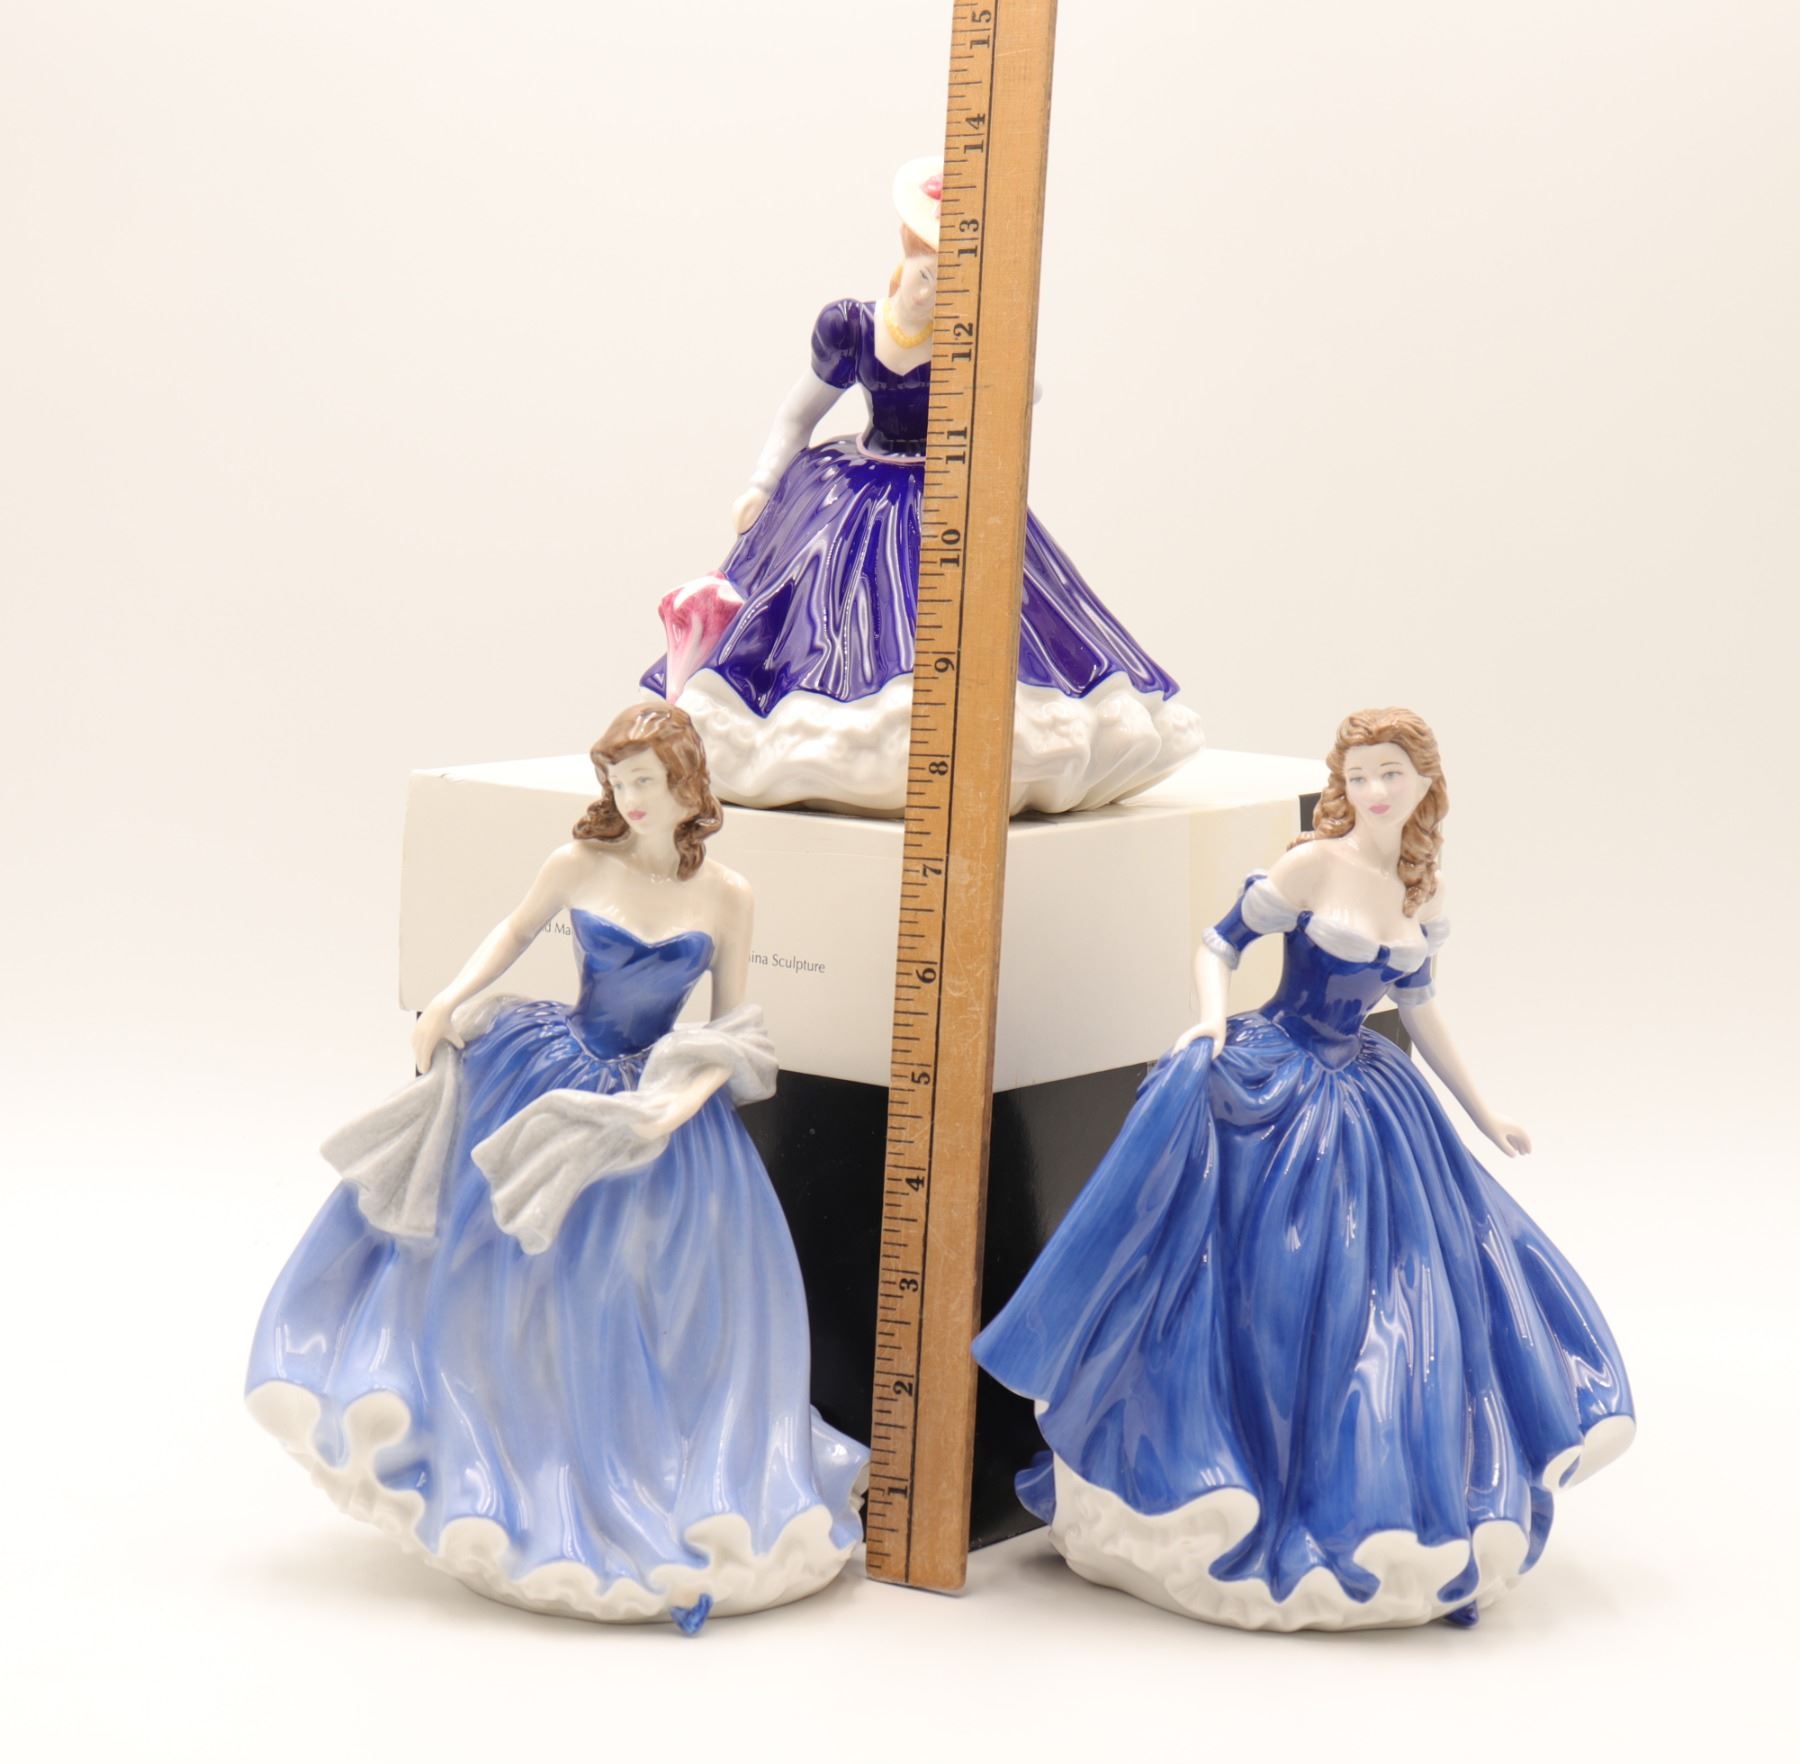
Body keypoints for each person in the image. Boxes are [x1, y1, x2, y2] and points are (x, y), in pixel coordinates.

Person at [973, 707, 1633, 1629]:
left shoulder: (1422, 890)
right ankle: (1217, 1466)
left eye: (1391, 773)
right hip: (1276, 1078)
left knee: (1405, 1287)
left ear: (1425, 783)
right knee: (1261, 1285)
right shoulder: (1312, 865)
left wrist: (1484, 1113)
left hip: (1367, 1091)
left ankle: (1375, 1492)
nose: (1374, 790)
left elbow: (1420, 1008)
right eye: (1359, 774)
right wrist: (1210, 1019)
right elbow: (1219, 943)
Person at [247, 702, 867, 1632]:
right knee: (508, 1261)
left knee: (656, 1289)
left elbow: (734, 1027)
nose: (631, 797)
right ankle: (502, 1439)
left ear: (688, 784)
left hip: (660, 1108)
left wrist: (668, 1106)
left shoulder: (728, 895)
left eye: (646, 781)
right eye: (618, 781)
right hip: (554, 1069)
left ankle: (638, 1460)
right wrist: (447, 1001)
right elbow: (512, 932)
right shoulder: (580, 864)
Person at [642, 156, 1203, 815]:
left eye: (949, 283)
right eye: (925, 274)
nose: (928, 294)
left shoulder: (966, 339)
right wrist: (762, 485)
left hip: (945, 492)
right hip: (852, 489)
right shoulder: (852, 327)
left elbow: (1023, 395)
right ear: (904, 257)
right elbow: (799, 413)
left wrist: (1002, 349)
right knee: (829, 603)